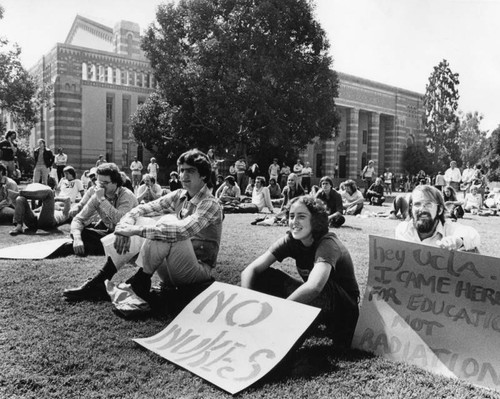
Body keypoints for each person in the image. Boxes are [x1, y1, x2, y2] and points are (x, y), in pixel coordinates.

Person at [63, 149, 223, 303]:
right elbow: (141, 208)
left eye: (191, 171)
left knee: (167, 222)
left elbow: (183, 231)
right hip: (169, 269)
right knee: (141, 220)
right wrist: (125, 227)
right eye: (181, 170)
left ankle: (141, 280)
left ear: (203, 175)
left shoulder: (210, 203)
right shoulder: (179, 195)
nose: (183, 175)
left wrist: (134, 230)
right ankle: (101, 280)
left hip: (196, 272)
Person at [241, 195, 360, 347]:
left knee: (321, 286)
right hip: (318, 301)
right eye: (291, 216)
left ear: (315, 220)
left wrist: (279, 312)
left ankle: (288, 331)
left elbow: (314, 287)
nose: (294, 222)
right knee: (263, 276)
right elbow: (250, 270)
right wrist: (246, 302)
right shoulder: (291, 240)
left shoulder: (327, 243)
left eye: (301, 216)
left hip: (343, 309)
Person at [66, 163, 138, 256]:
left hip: (128, 237)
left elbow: (119, 220)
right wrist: (77, 238)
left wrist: (102, 200)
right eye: (99, 182)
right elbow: (78, 219)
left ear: (115, 182)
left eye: (106, 183)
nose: (101, 186)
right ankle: (87, 246)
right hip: (110, 234)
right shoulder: (98, 194)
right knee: (80, 232)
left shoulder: (126, 195)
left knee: (100, 241)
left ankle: (90, 248)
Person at [395, 185, 480, 251]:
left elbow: (472, 235)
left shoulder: (448, 229)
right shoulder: (402, 230)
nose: (422, 209)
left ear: (439, 210)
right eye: (417, 204)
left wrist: (458, 241)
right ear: (411, 208)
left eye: (428, 204)